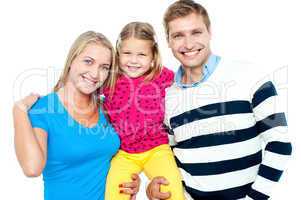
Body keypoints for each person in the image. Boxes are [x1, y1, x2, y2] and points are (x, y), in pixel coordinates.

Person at [147, 0, 292, 199]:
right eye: (178, 35)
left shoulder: (251, 75)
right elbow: (169, 154)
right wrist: (155, 183)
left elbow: (280, 143)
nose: (188, 44)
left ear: (209, 32)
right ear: (169, 41)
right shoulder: (167, 95)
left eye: (196, 32)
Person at [13, 31, 139, 200]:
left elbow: (115, 158)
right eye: (88, 62)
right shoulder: (44, 109)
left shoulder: (107, 107)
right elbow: (32, 168)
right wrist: (18, 110)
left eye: (104, 67)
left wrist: (130, 179)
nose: (95, 74)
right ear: (72, 60)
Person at [103, 22, 185, 200]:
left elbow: (189, 83)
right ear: (118, 53)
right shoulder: (109, 80)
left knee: (171, 192)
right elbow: (83, 90)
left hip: (157, 149)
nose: (133, 60)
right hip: (123, 153)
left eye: (141, 54)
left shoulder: (163, 76)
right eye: (127, 53)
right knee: (115, 194)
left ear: (153, 56)